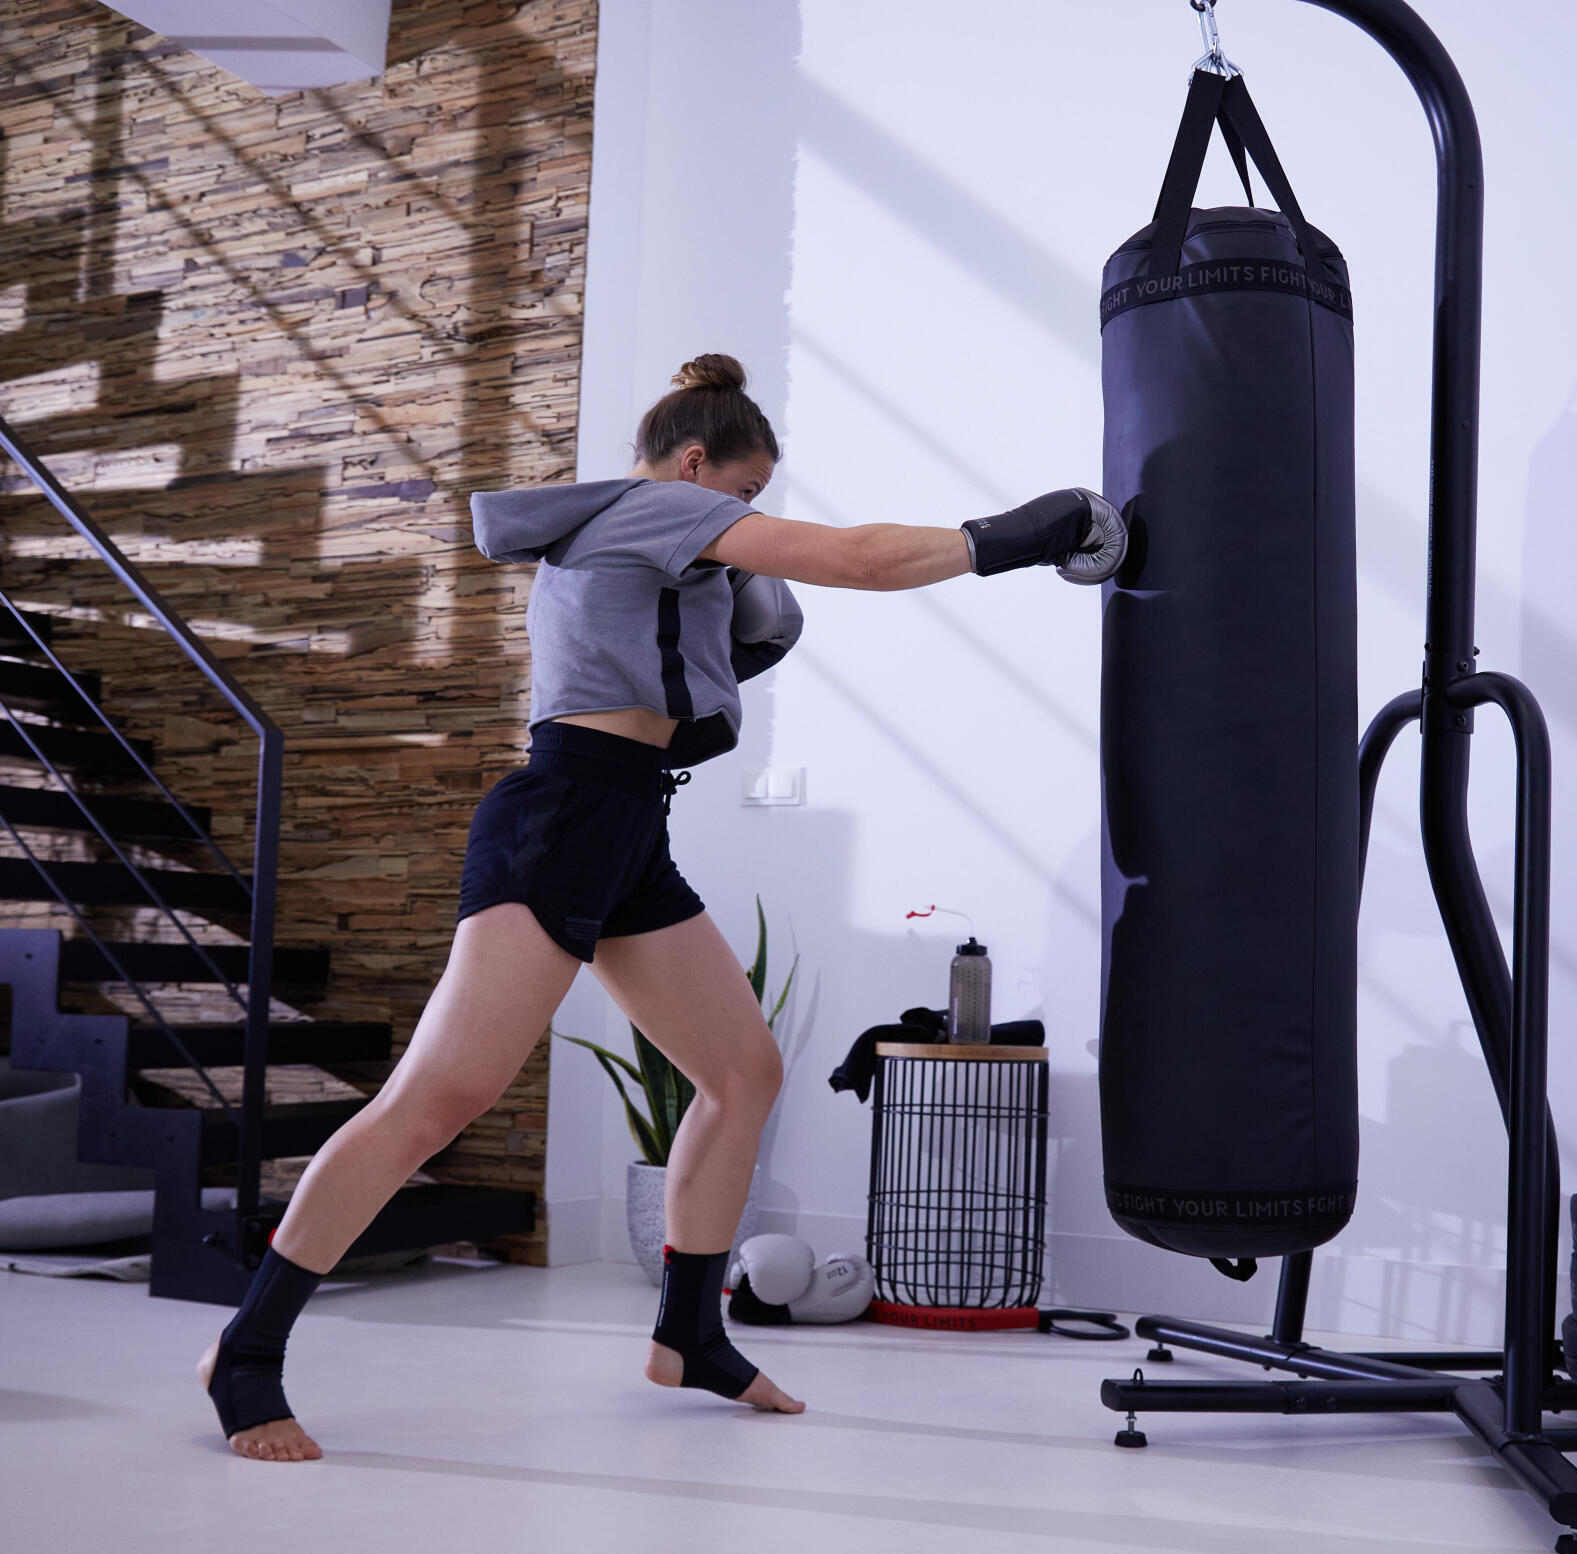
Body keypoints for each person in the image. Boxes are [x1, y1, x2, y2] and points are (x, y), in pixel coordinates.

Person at [197, 353, 1124, 1460]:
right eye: (742, 495)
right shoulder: (654, 506)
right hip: (562, 822)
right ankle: (245, 1352)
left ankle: (689, 1334)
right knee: (440, 1097)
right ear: (694, 465)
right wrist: (1038, 527)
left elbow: (740, 638)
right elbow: (860, 564)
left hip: (631, 824)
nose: (745, 518)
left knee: (743, 1074)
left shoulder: (653, 534)